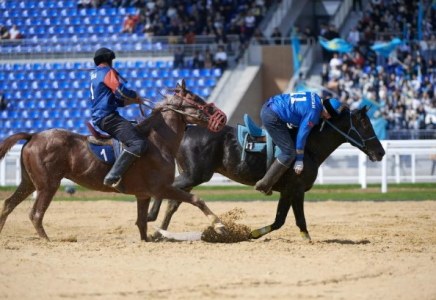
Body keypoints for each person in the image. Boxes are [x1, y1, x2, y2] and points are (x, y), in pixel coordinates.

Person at [254, 92, 343, 195]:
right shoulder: (313, 113)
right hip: (273, 116)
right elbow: (301, 136)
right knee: (289, 153)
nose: (328, 118)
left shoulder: (314, 96)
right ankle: (264, 184)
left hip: (271, 106)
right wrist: (299, 159)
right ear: (326, 110)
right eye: (329, 115)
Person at [90, 47, 146, 191]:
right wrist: (134, 94)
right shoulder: (107, 72)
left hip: (101, 117)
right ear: (108, 60)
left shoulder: (95, 74)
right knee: (138, 143)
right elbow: (121, 90)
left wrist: (133, 101)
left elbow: (117, 100)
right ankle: (113, 176)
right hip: (108, 117)